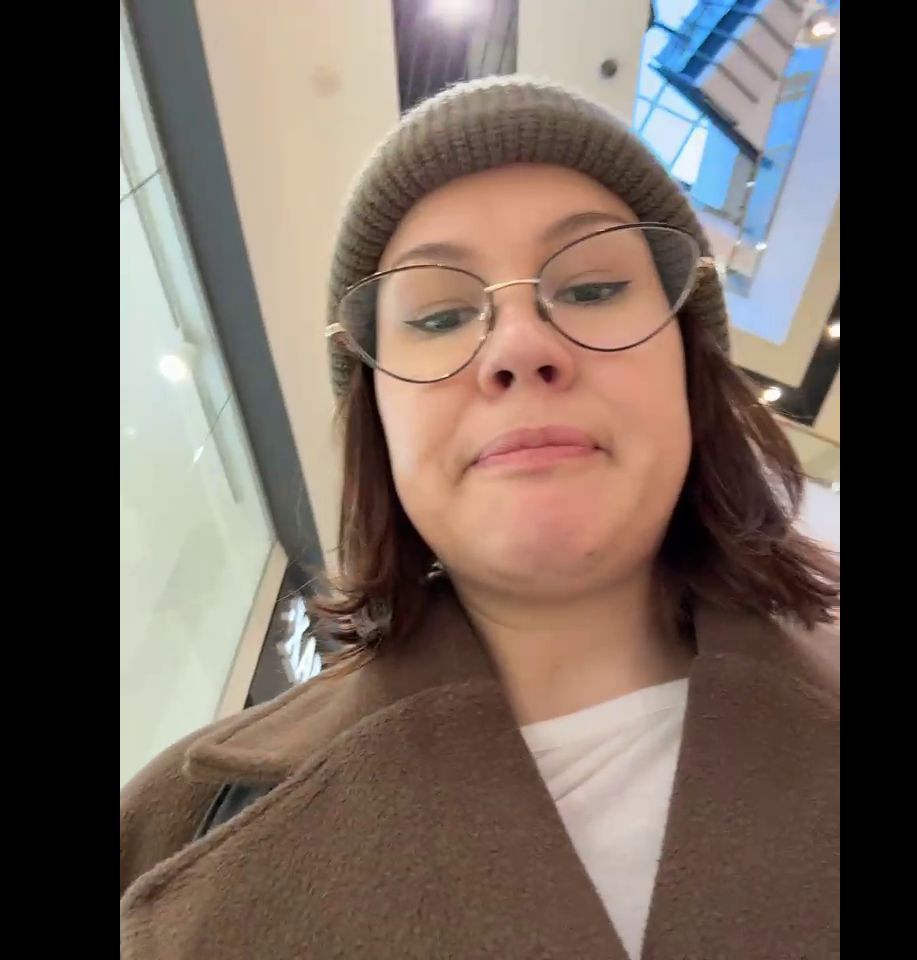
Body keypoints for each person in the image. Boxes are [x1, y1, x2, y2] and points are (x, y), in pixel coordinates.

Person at [120, 77, 839, 960]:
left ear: (688, 369)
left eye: (591, 290)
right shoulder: (171, 827)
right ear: (379, 422)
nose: (520, 346)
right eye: (440, 316)